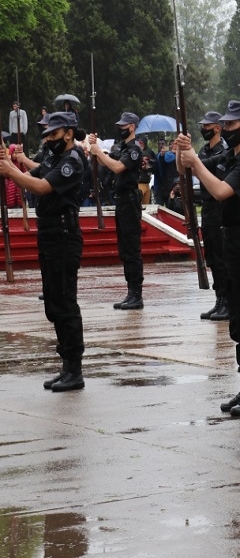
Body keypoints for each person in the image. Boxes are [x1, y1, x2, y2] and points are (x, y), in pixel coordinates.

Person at [176, 100, 240, 416]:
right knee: (238, 323)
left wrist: (196, 164)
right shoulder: (227, 156)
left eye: (230, 125)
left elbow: (219, 191)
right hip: (232, 246)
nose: (225, 129)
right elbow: (187, 169)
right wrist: (183, 152)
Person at [0, 112, 85, 391]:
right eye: (47, 134)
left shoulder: (71, 161)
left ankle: (75, 369)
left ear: (69, 133)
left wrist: (12, 171)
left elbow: (41, 186)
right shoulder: (53, 157)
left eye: (53, 134)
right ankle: (65, 366)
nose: (48, 138)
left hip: (64, 234)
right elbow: (34, 173)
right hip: (49, 233)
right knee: (52, 302)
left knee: (65, 301)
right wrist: (14, 162)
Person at [89, 112, 144, 309]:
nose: (120, 128)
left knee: (131, 248)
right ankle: (130, 292)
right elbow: (106, 162)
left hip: (130, 200)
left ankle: (136, 293)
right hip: (121, 200)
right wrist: (93, 148)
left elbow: (118, 167)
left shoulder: (135, 149)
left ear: (132, 127)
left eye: (124, 126)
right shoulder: (120, 147)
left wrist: (99, 152)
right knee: (124, 248)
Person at [195, 111, 230, 321]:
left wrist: (197, 165)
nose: (204, 129)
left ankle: (227, 301)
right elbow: (193, 169)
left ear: (217, 127)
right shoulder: (204, 150)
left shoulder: (224, 150)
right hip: (207, 207)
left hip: (220, 207)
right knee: (213, 257)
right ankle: (219, 299)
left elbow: (201, 169)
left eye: (207, 126)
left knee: (222, 256)